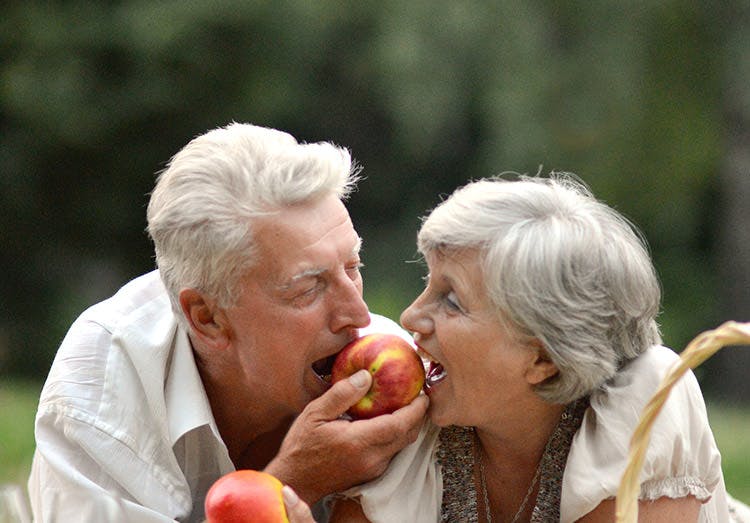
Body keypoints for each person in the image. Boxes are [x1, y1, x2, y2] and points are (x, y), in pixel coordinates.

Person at [27, 122, 428, 522]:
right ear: (208, 318)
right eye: (308, 288)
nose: (357, 314)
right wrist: (293, 482)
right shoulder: (103, 382)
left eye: (353, 267)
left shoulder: (393, 381)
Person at [331, 174, 750, 522]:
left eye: (452, 301)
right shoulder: (406, 427)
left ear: (543, 358)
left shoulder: (645, 399)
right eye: (428, 284)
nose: (410, 317)